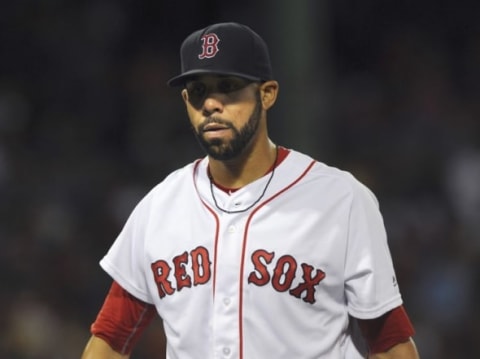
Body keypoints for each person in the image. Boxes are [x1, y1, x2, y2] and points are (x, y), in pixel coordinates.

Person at [81, 22, 420, 359]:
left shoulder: (341, 199)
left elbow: (390, 346)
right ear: (185, 100)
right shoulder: (159, 208)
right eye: (198, 92)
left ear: (267, 93)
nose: (211, 104)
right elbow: (109, 339)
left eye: (228, 86)